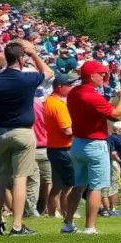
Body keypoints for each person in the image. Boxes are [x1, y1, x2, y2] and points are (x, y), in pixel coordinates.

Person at [0, 40, 54, 236]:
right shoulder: (27, 79)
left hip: (1, 131)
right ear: (21, 58)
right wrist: (33, 53)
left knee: (0, 178)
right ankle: (17, 225)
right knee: (20, 178)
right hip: (23, 131)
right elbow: (49, 72)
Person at [63, 59, 121, 235]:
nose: (104, 76)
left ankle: (68, 224)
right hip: (95, 144)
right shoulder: (92, 96)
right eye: (101, 74)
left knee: (79, 185)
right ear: (92, 76)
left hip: (78, 143)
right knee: (96, 187)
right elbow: (116, 114)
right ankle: (90, 227)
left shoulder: (74, 93)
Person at [43, 71, 77, 217]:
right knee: (70, 184)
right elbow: (67, 130)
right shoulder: (59, 105)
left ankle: (52, 213)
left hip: (52, 147)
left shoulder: (48, 101)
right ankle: (67, 212)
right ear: (60, 87)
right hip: (64, 148)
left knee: (57, 185)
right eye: (69, 85)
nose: (71, 88)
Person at [101, 120, 121, 217]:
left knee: (103, 186)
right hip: (112, 163)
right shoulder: (114, 138)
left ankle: (105, 209)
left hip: (103, 162)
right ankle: (111, 209)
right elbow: (114, 153)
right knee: (114, 186)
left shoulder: (105, 138)